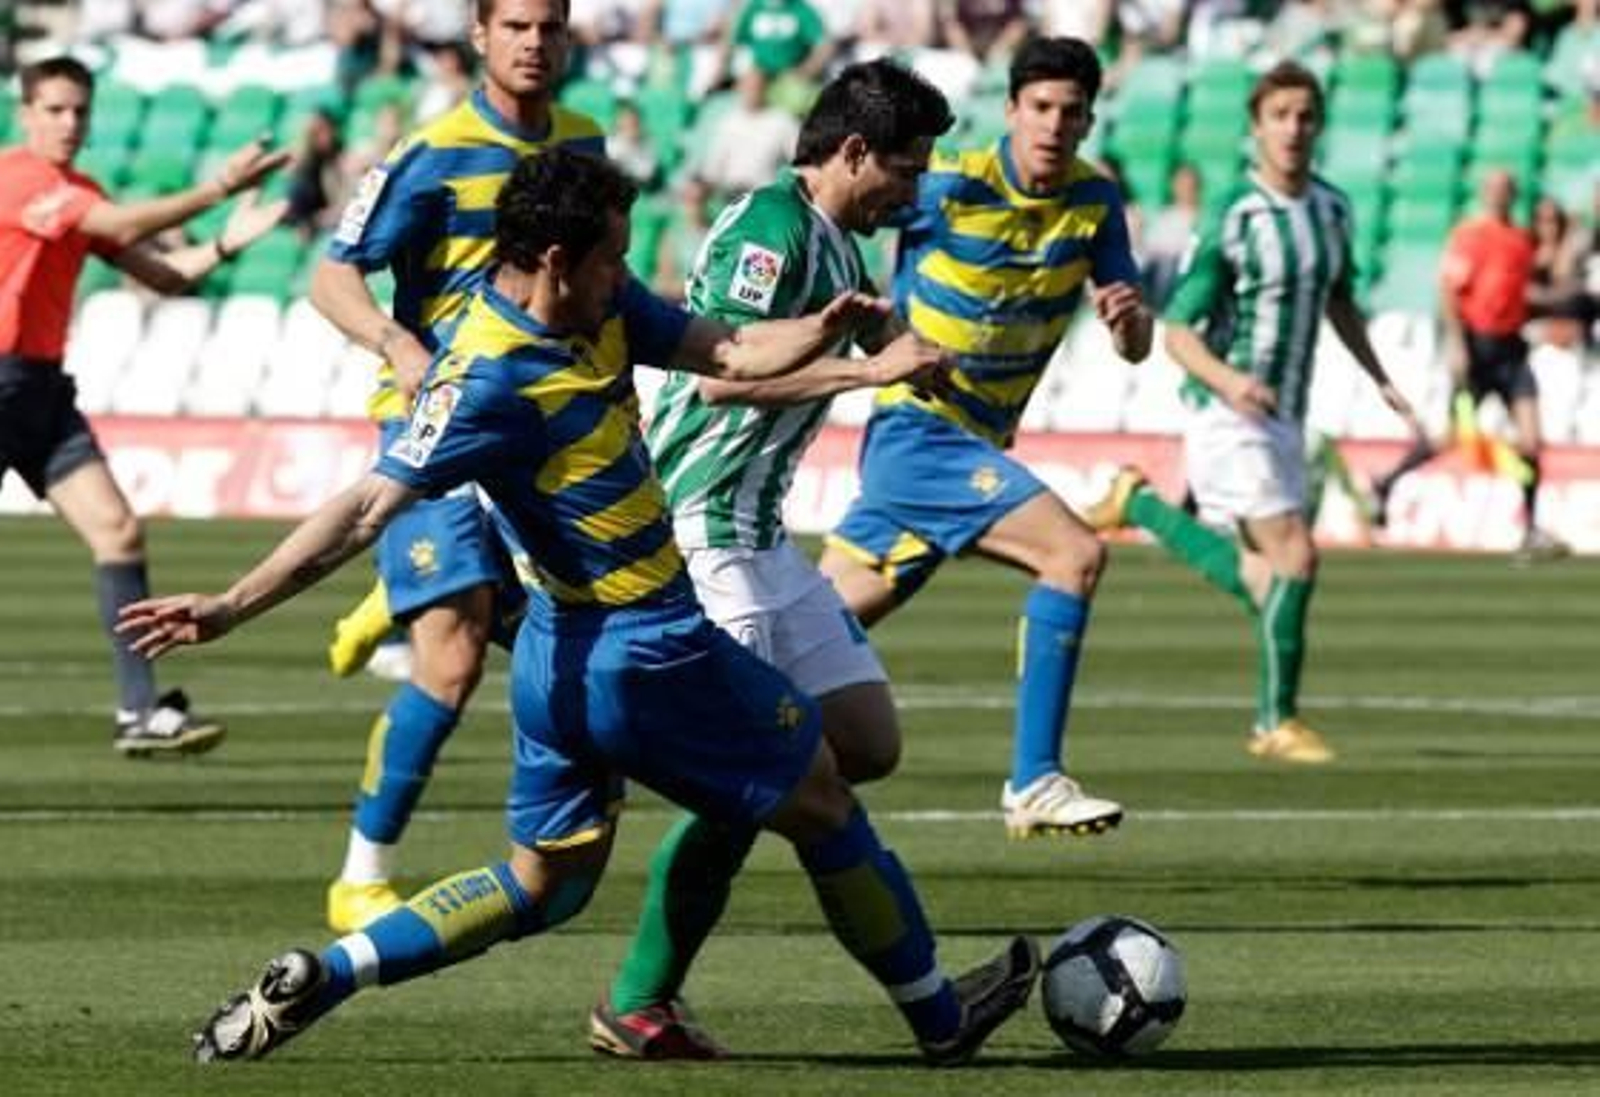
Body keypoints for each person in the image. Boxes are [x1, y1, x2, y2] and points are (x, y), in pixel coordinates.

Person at [119, 148, 1039, 1068]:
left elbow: (724, 349)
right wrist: (233, 604)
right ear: (558, 259)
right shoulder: (483, 377)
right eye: (612, 258)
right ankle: (939, 1016)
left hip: (555, 663)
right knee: (826, 800)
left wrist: (835, 340)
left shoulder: (597, 309)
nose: (625, 275)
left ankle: (328, 973)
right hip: (650, 649)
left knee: (541, 885)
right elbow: (368, 504)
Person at [592, 58, 956, 1059]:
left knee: (865, 742)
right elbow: (714, 382)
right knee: (765, 775)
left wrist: (901, 347)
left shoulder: (837, 245)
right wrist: (864, 366)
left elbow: (857, 336)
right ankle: (638, 996)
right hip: (702, 529)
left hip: (765, 537)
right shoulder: (769, 230)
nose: (913, 189)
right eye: (905, 168)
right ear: (850, 153)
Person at [309, 0, 606, 936]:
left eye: (548, 25)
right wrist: (398, 343)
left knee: (592, 647)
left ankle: (393, 594)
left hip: (547, 440)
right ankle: (361, 873)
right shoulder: (432, 150)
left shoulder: (587, 142)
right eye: (514, 24)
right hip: (440, 432)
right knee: (454, 654)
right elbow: (332, 272)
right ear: (479, 36)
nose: (533, 41)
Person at [816, 37, 1152, 840]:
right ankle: (1034, 778)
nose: (1054, 125)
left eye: (1071, 111)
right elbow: (840, 212)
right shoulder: (947, 184)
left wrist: (1132, 324)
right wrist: (873, 330)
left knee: (806, 633)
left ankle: (659, 728)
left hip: (973, 449)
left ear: (1089, 119)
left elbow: (1133, 343)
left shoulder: (1096, 203)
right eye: (1040, 107)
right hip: (917, 433)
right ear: (1011, 110)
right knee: (1074, 554)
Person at [1083, 61, 1424, 764]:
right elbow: (1176, 330)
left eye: (1305, 115)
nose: (1294, 128)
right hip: (1225, 411)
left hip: (1285, 415)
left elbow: (1338, 299)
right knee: (1296, 555)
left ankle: (1141, 504)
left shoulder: (1332, 210)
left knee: (1270, 581)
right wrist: (1231, 381)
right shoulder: (1237, 214)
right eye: (1281, 115)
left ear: (1319, 124)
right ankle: (1275, 721)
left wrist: (1381, 376)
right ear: (1257, 125)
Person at [0, 55, 289, 756]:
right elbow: (121, 219)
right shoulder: (17, 179)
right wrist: (216, 187)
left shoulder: (77, 192)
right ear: (26, 111)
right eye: (56, 109)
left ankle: (141, 711)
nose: (70, 122)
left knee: (119, 533)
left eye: (80, 111)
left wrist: (221, 244)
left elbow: (161, 275)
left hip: (39, 392)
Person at [1369, 169, 1569, 561]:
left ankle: (1529, 528)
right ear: (1483, 194)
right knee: (1448, 437)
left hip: (1512, 350)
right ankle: (1387, 482)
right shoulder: (1470, 236)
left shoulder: (1521, 241)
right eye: (1493, 189)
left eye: (1505, 189)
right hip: (1477, 346)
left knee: (1531, 439)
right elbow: (1450, 291)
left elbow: (1525, 292)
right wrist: (1457, 344)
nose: (1499, 195)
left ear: (1512, 195)